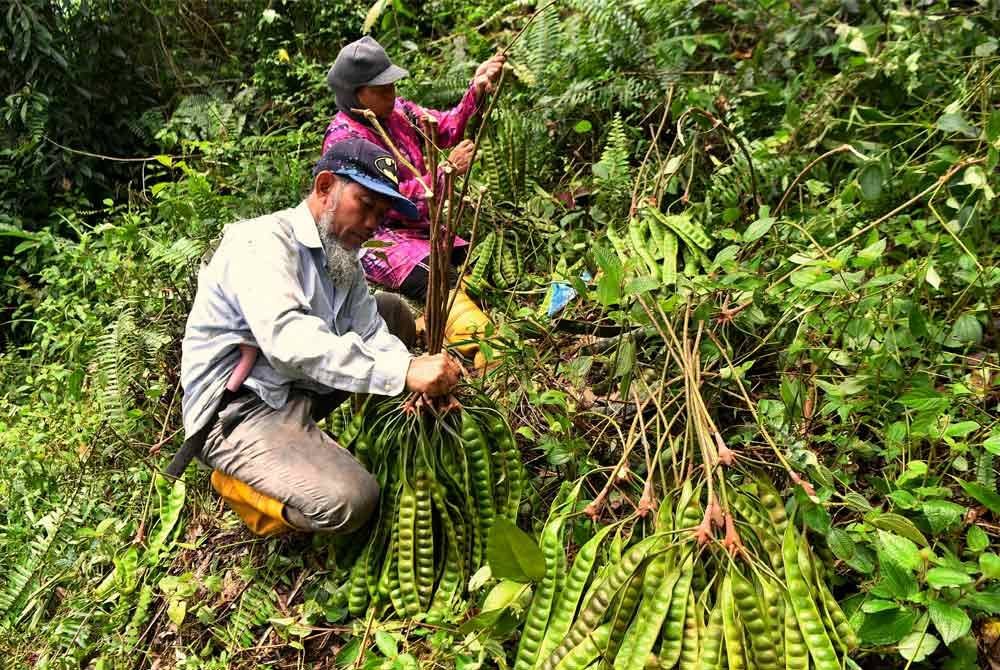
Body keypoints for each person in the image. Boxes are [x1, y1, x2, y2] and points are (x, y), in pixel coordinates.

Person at [179, 138, 463, 536]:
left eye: (381, 214)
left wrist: (412, 376)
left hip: (296, 387)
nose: (372, 224)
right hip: (239, 408)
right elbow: (289, 342)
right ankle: (245, 484)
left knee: (392, 313)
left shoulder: (342, 254)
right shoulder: (260, 243)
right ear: (326, 186)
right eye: (365, 204)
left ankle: (302, 446)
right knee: (353, 501)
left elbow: (370, 332)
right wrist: (403, 371)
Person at [323, 36, 504, 357]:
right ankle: (472, 342)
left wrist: (476, 89)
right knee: (440, 277)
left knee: (476, 265)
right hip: (382, 240)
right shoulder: (344, 141)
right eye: (381, 90)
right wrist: (444, 174)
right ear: (356, 95)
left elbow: (444, 127)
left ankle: (443, 324)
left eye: (391, 85)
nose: (391, 94)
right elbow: (381, 203)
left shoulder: (400, 112)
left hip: (422, 228)